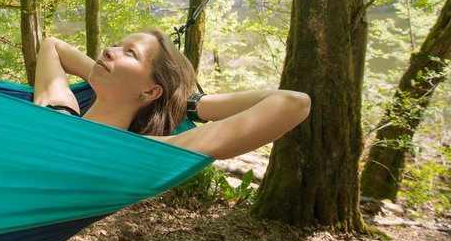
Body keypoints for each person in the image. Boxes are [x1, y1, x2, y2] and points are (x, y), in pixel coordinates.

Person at [33, 28, 311, 160]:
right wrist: (106, 71)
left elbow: (293, 102)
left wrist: (185, 103)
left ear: (151, 90)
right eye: (117, 45)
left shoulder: (144, 152)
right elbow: (53, 45)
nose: (108, 50)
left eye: (130, 53)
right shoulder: (59, 110)